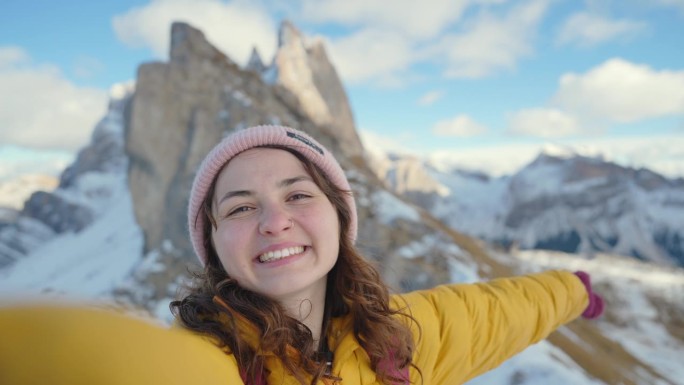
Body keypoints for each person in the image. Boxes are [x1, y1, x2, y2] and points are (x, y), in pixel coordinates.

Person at [0, 125, 603, 385]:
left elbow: (496, 312)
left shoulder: (396, 342)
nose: (273, 220)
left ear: (340, 219)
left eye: (297, 194)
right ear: (213, 245)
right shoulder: (212, 363)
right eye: (239, 208)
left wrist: (573, 289)